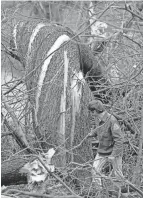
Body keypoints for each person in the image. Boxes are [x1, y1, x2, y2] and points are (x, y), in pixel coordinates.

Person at [88, 99, 124, 187]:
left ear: (95, 111)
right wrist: (93, 133)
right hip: (102, 150)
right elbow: (101, 128)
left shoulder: (112, 120)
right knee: (95, 170)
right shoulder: (99, 119)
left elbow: (119, 140)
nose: (91, 113)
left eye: (91, 111)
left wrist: (114, 154)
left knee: (118, 174)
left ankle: (123, 193)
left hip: (114, 151)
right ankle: (99, 192)